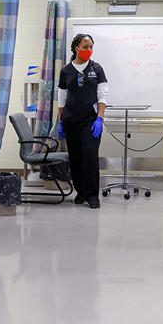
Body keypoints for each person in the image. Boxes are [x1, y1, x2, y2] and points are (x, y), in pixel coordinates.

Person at [56, 33, 108, 208]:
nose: (89, 50)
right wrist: (61, 121)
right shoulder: (66, 71)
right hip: (71, 120)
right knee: (76, 157)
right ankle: (81, 192)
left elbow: (102, 95)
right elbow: (62, 96)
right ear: (76, 48)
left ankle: (93, 195)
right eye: (85, 47)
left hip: (90, 121)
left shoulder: (97, 69)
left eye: (91, 46)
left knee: (89, 154)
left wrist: (99, 119)